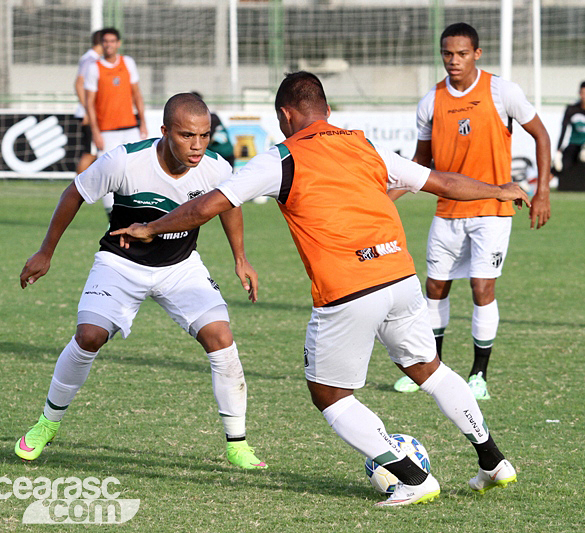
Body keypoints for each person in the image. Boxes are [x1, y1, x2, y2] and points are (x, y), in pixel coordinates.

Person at [112, 72, 527, 506]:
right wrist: (499, 190)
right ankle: (493, 462)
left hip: (349, 288)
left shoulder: (282, 158)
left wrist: (151, 226)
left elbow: (210, 204)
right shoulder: (363, 144)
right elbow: (441, 181)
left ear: (284, 115)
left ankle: (412, 477)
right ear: (326, 111)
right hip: (400, 277)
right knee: (430, 368)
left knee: (328, 394)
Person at [15, 93, 266, 470]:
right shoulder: (124, 160)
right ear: (164, 131)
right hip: (120, 264)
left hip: (180, 267)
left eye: (204, 135)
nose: (197, 146)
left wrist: (241, 258)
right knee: (89, 336)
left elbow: (229, 204)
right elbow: (75, 193)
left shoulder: (215, 166)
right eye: (186, 136)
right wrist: (45, 251)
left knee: (221, 339)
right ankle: (46, 424)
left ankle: (238, 444)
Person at [390, 22, 552, 399]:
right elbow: (420, 162)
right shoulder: (430, 101)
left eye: (462, 54)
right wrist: (383, 198)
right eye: (447, 54)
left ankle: (478, 375)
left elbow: (541, 135)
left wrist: (542, 192)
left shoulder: (502, 91)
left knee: (482, 288)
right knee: (435, 289)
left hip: (492, 212)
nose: (453, 61)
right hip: (447, 212)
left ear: (477, 54)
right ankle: (432, 370)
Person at [84, 27, 148, 219]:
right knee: (108, 172)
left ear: (118, 43)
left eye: (112, 41)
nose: (109, 45)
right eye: (105, 41)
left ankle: (139, 212)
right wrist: (95, 131)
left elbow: (136, 93)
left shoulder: (128, 63)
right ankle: (112, 217)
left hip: (130, 127)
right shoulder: (94, 68)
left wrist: (142, 122)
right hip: (106, 130)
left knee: (138, 169)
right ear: (101, 44)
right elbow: (89, 102)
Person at [74, 30, 102, 175]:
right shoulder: (91, 59)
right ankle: (77, 190)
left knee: (96, 153)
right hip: (89, 113)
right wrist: (87, 111)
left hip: (93, 113)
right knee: (90, 153)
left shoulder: (91, 58)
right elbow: (79, 83)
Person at [191, 91, 235, 167]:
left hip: (221, 157)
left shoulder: (210, 118)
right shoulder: (212, 116)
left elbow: (205, 138)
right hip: (225, 155)